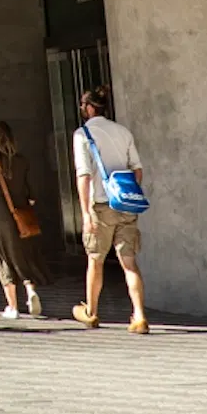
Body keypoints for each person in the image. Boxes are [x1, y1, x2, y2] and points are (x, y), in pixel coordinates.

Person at [71, 86, 148, 333]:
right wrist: (127, 194)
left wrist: (85, 213)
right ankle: (139, 315)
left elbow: (83, 176)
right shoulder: (123, 132)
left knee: (96, 260)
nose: (82, 110)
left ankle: (91, 312)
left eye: (83, 106)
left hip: (101, 206)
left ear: (90, 108)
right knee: (129, 263)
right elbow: (137, 170)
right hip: (125, 205)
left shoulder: (83, 135)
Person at [0, 121, 46, 319]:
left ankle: (13, 307)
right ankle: (30, 290)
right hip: (21, 209)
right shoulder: (22, 160)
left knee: (3, 257)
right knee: (24, 254)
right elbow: (31, 193)